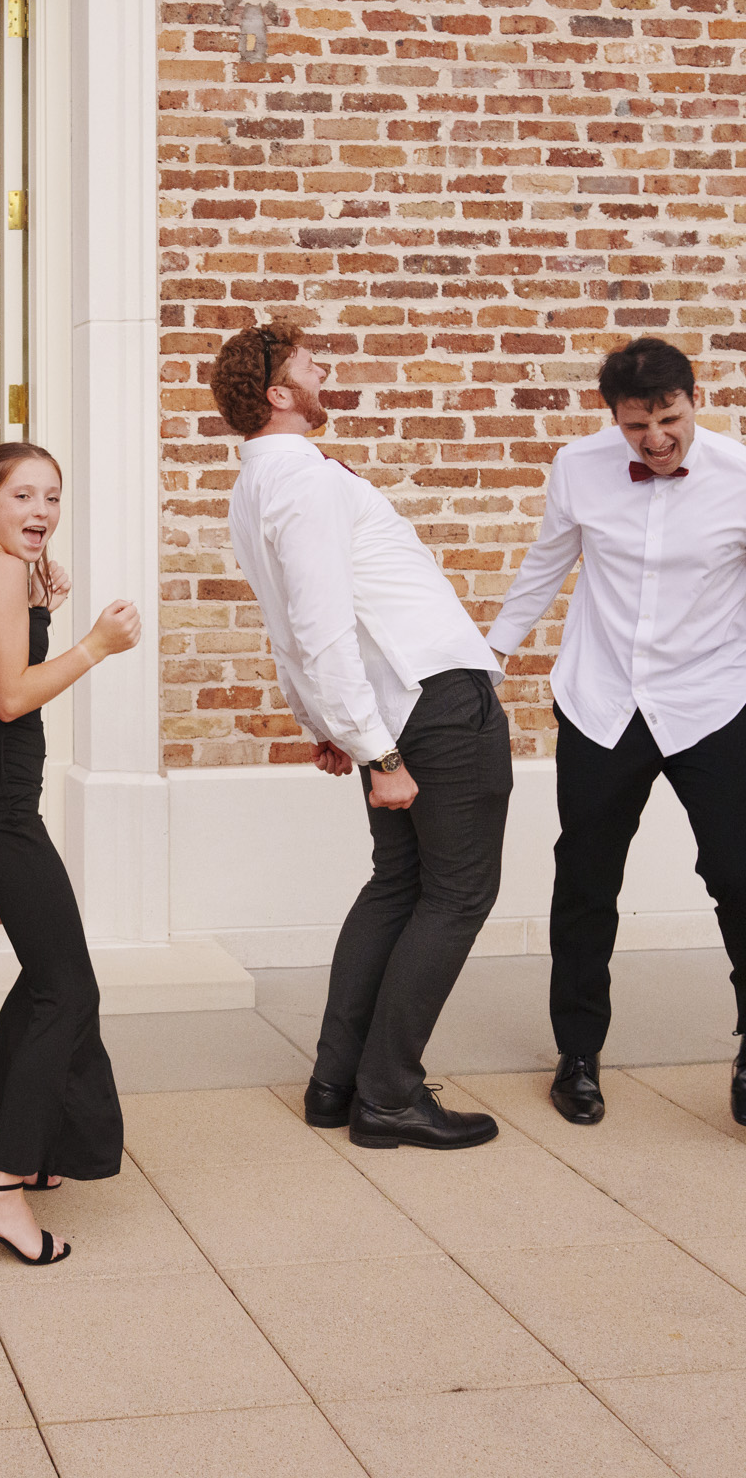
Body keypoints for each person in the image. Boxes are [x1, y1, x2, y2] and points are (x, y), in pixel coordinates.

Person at [487, 337, 746, 1131]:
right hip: (601, 702)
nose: (656, 440)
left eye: (669, 418)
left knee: (739, 873)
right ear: (611, 419)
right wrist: (485, 659)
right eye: (635, 426)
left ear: (695, 399)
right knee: (585, 880)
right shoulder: (575, 469)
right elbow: (543, 569)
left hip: (711, 702)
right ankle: (577, 1053)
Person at [216, 321, 510, 1151]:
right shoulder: (300, 478)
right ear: (278, 393)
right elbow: (311, 622)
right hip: (432, 703)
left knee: (399, 885)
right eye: (309, 364)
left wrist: (329, 722)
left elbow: (290, 624)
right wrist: (374, 748)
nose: (323, 370)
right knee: (457, 895)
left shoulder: (260, 483)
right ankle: (388, 1095)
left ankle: (337, 1083)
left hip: (397, 704)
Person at [0, 442, 141, 1268]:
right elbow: (9, 694)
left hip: (4, 800)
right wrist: (94, 645)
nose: (42, 510)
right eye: (23, 494)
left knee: (47, 972)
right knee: (68, 985)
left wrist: (44, 599)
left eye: (53, 497)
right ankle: (1, 1186)